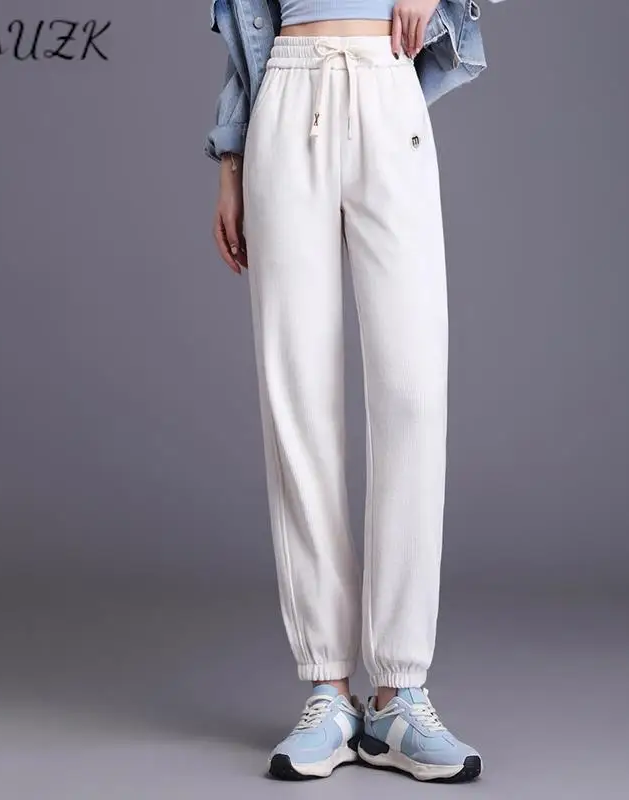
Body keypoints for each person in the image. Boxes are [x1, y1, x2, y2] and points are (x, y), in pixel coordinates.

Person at [206, 0, 507, 784]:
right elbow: (244, 30)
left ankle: (401, 692)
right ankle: (329, 692)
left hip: (386, 86)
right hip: (286, 93)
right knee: (297, 395)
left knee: (413, 393)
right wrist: (231, 163)